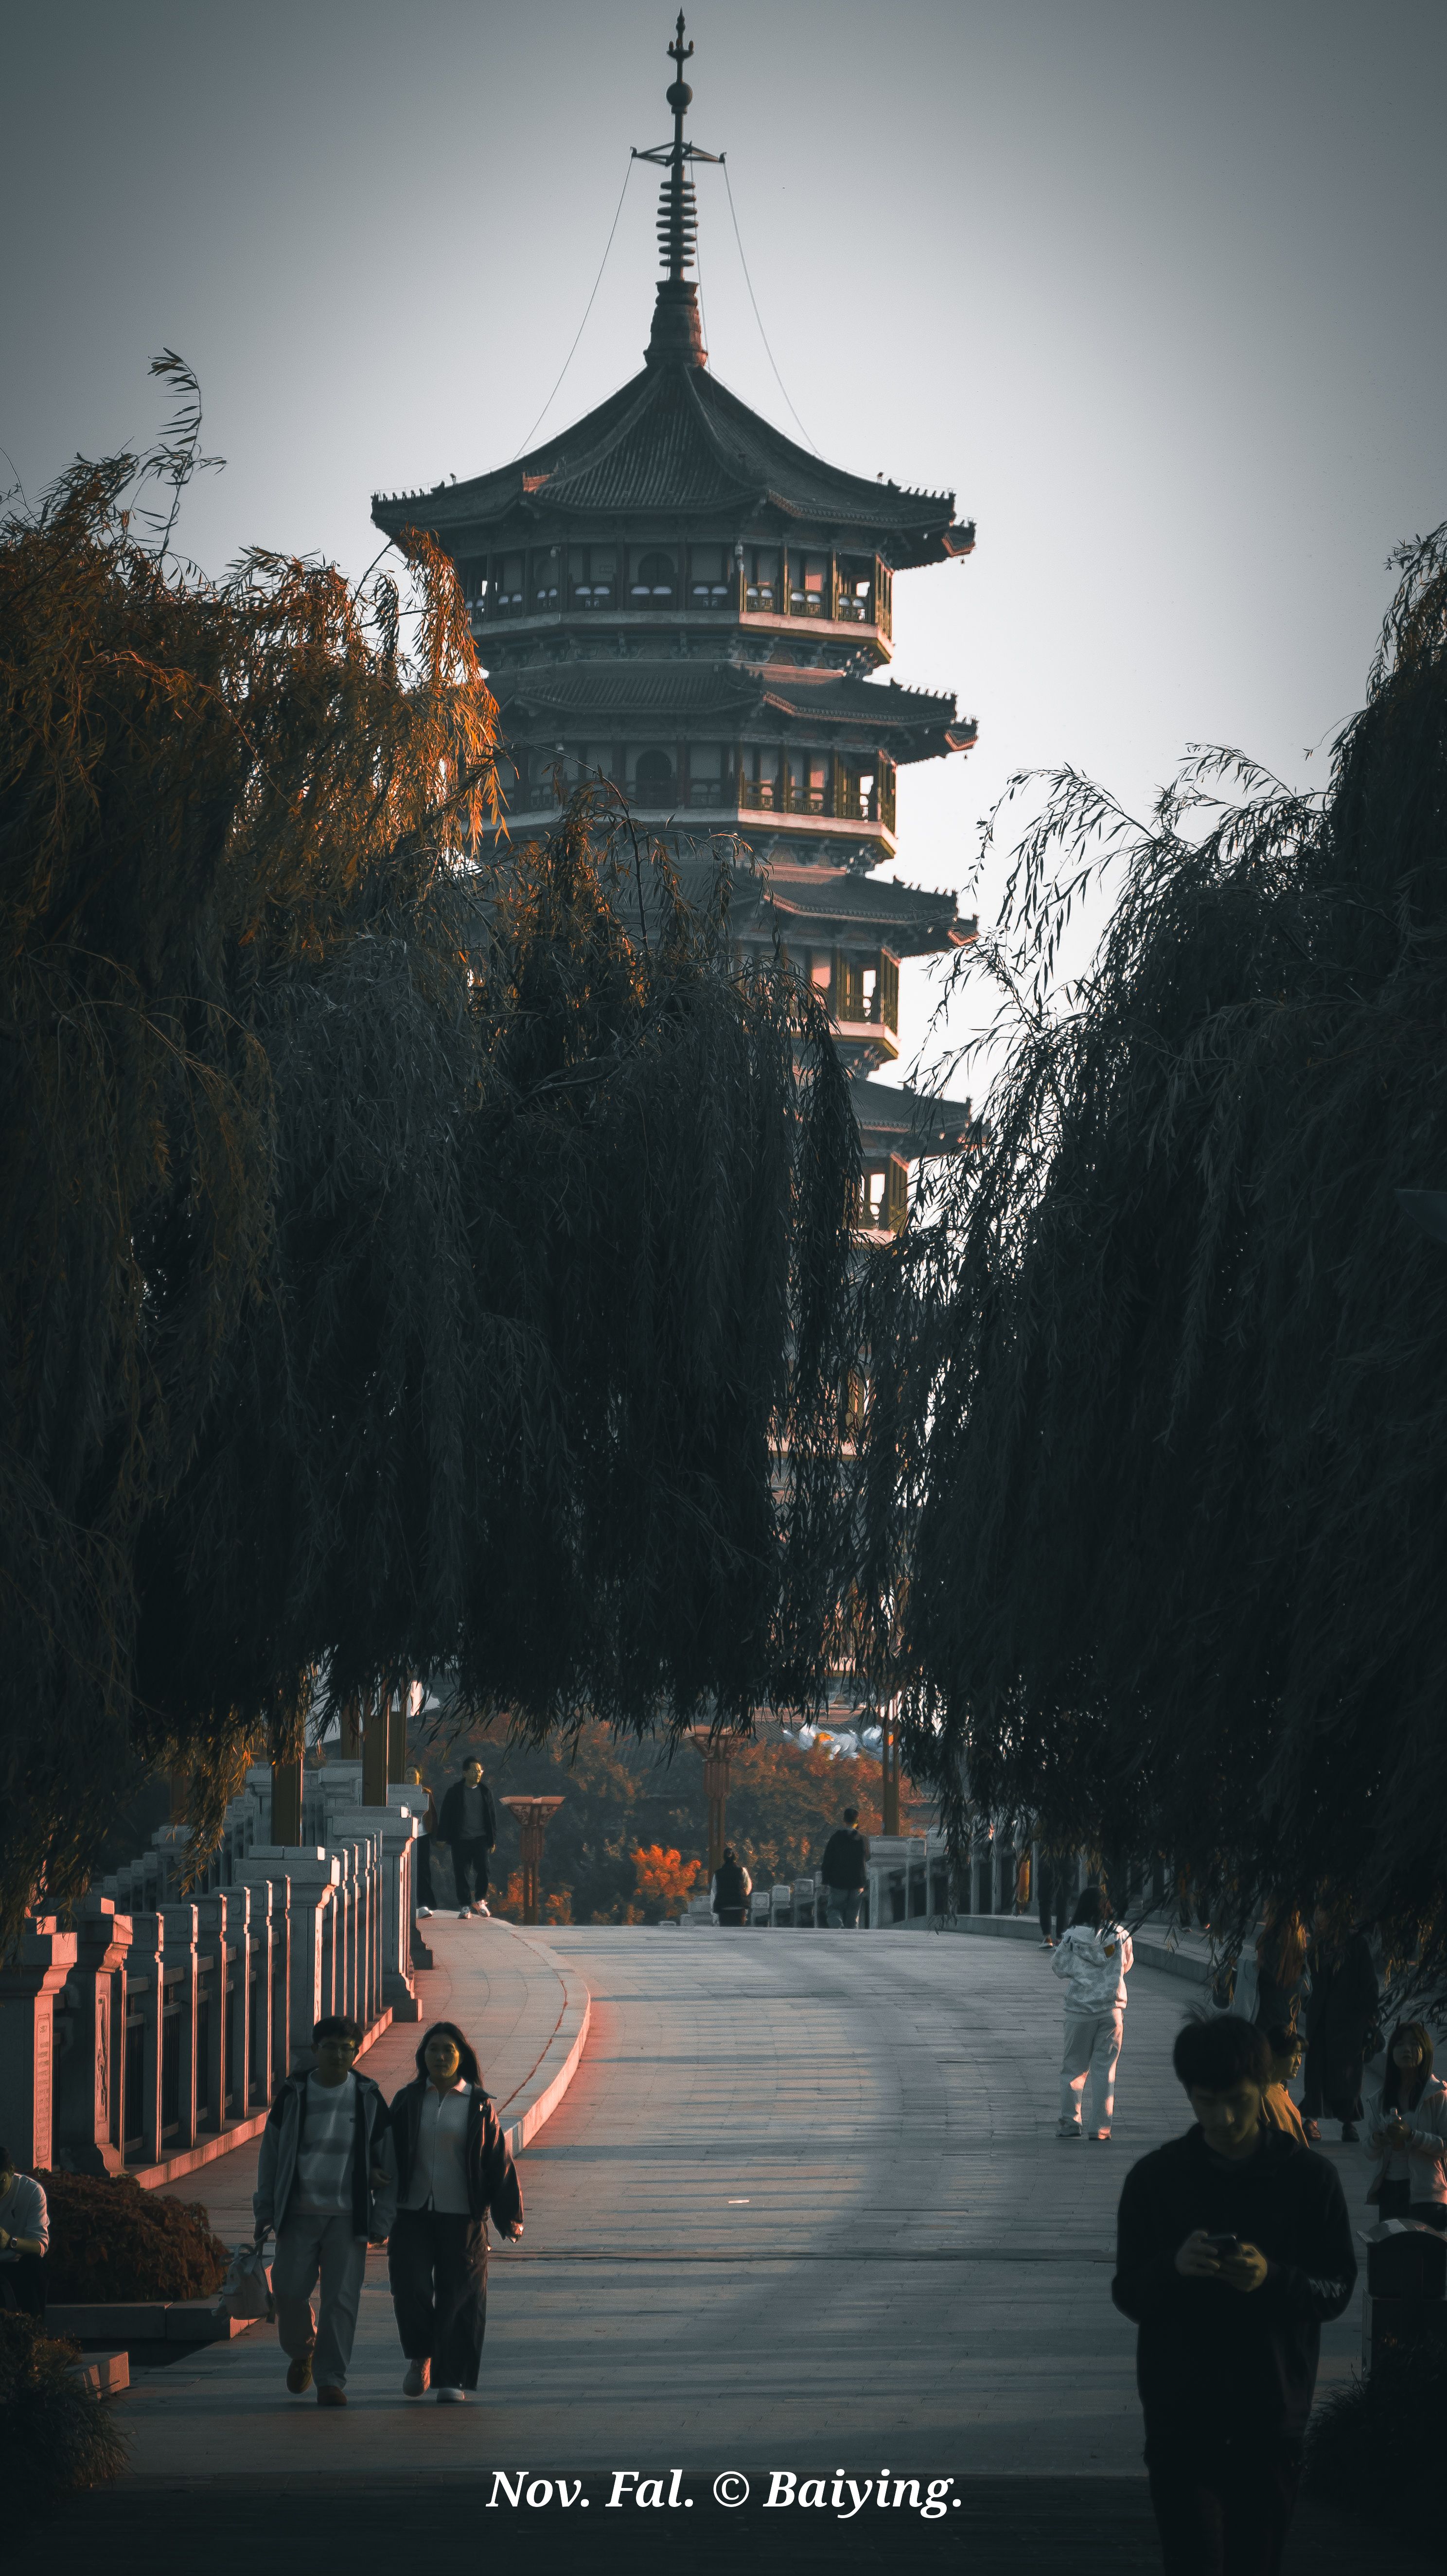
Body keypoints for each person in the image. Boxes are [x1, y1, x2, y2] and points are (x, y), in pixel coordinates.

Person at [1113, 2013, 1355, 2576]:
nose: (1223, 2119)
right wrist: (1173, 2269)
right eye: (1207, 2102)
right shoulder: (1155, 2180)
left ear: (1265, 2085)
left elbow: (1337, 2288)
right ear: (1189, 2095)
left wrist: (1273, 2278)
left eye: (1238, 2101)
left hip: (1268, 2418)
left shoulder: (1310, 2180)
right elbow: (1128, 2292)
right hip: (1181, 2418)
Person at [252, 2013, 394, 2407]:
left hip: (348, 2220)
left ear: (357, 2052)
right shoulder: (294, 2095)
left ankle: (331, 2379)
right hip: (298, 2214)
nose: (338, 2056)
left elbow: (390, 2164)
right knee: (288, 2292)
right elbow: (271, 2155)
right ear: (315, 2050)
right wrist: (265, 2209)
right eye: (330, 2047)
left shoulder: (368, 2097)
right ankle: (303, 2351)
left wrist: (383, 2218)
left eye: (347, 2049)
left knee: (341, 2301)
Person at [387, 2020, 523, 2405]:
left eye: (448, 2050)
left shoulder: (478, 2104)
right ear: (423, 2056)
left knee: (461, 2295)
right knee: (410, 2287)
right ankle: (421, 2357)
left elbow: (498, 2162)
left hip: (463, 2216)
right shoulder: (408, 2099)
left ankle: (452, 2378)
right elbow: (385, 2149)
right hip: (412, 2213)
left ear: (461, 2057)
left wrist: (509, 2215)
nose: (441, 2057)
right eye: (433, 2050)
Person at [1052, 1885, 1134, 2140]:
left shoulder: (1071, 1938)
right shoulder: (1121, 1935)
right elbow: (1127, 1965)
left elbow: (1059, 1967)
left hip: (1079, 2011)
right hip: (1111, 2010)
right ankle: (1100, 2128)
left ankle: (1070, 2122)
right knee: (1105, 2071)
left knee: (1074, 2069)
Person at [1300, 1904, 1377, 2143]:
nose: (1318, 1916)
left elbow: (1369, 1982)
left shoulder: (1357, 1944)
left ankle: (1348, 2123)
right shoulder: (1318, 1944)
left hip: (1349, 2021)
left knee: (1348, 2074)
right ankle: (1311, 2119)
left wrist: (1370, 2015)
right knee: (1316, 2070)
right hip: (1320, 2018)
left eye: (1323, 1912)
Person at [1363, 2019, 1447, 2230]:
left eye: (1414, 2044)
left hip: (1427, 2195)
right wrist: (1378, 2140)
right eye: (1400, 2044)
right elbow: (1369, 2152)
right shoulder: (1382, 2098)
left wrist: (1412, 2136)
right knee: (1393, 2249)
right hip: (1390, 2192)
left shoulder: (1438, 2095)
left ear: (1426, 2050)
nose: (1407, 2049)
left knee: (1424, 2250)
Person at [437, 1757, 496, 1921]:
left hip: (480, 1839)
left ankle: (480, 1900)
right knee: (461, 1873)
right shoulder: (454, 1792)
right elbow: (445, 1815)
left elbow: (492, 1818)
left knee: (484, 1870)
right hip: (460, 1839)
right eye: (474, 1771)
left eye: (480, 1771)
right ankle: (465, 1906)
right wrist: (442, 1837)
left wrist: (492, 1840)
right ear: (465, 1773)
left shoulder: (485, 1792)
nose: (478, 1774)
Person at [0, 2144, 48, 2317]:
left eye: (0, 2182)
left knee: (34, 2264)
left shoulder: (31, 2191)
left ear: (11, 2170)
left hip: (17, 2267)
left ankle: (33, 2329)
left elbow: (39, 2246)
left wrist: (10, 2242)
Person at [1252, 1904, 1309, 2034]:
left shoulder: (1268, 1941)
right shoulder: (1300, 1945)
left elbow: (1259, 1972)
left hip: (1264, 2021)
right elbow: (1307, 1993)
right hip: (1287, 2025)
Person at [818, 1806, 870, 1928]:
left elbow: (828, 1861)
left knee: (833, 1910)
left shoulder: (836, 1838)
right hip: (857, 1882)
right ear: (856, 1821)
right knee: (853, 1914)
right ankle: (851, 1934)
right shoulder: (863, 1839)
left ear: (844, 1820)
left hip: (838, 1882)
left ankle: (839, 1928)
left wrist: (825, 1882)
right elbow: (868, 1857)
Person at [1261, 2024, 1308, 2148]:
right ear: (1273, 2055)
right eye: (1294, 2055)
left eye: (1300, 2056)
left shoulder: (1281, 2090)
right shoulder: (1260, 2097)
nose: (1298, 2062)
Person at [408, 1769, 439, 1918]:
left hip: (423, 1835)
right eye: (407, 1773)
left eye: (413, 1773)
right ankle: (411, 1903)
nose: (410, 1776)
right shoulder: (399, 1792)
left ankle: (425, 1904)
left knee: (423, 1870)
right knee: (409, 1870)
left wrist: (436, 1836)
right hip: (407, 1836)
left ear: (419, 1776)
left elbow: (433, 1814)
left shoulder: (426, 1792)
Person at [1037, 1850, 1075, 1948]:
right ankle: (1060, 1939)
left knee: (1045, 1899)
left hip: (1049, 1855)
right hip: (1068, 1856)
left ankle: (1048, 1938)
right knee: (1064, 1901)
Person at [710, 1847, 752, 1927]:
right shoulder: (742, 1871)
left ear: (724, 1858)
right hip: (739, 1906)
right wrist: (741, 1894)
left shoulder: (718, 1873)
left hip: (724, 1907)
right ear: (735, 1857)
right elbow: (748, 1886)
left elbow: (715, 1890)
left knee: (725, 1931)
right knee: (739, 1931)